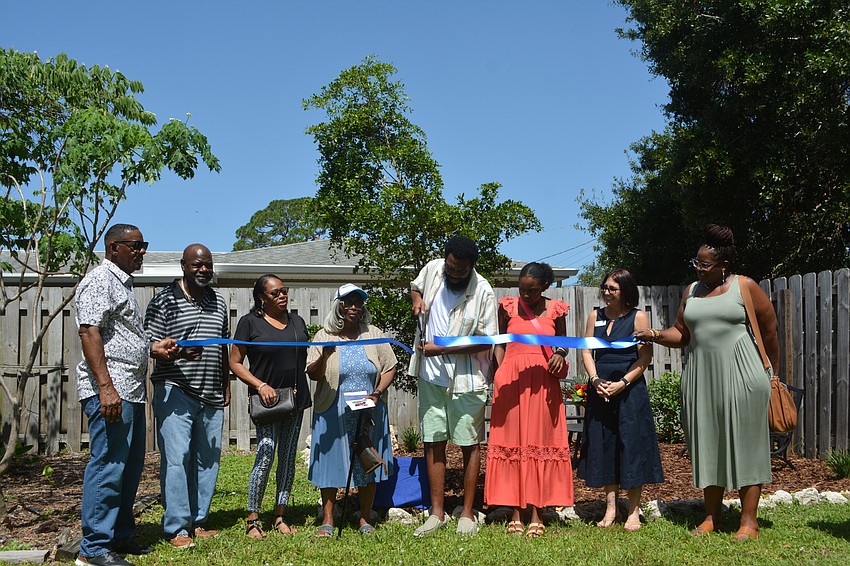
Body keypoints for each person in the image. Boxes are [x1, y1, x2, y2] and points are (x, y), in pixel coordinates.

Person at [634, 224, 778, 540]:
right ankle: (711, 517)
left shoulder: (745, 286)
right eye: (696, 263)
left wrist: (772, 373)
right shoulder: (692, 291)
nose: (699, 268)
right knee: (707, 445)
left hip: (743, 377)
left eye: (705, 264)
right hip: (701, 378)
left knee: (747, 446)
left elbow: (769, 330)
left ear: (723, 265)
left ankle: (749, 521)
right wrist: (655, 334)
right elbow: (681, 334)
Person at [75, 224, 179, 566]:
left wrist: (153, 348)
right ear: (113, 247)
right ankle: (93, 548)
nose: (142, 251)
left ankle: (118, 535)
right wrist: (106, 388)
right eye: (136, 245)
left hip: (130, 391)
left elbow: (121, 338)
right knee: (108, 466)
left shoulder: (123, 284)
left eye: (144, 245)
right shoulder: (99, 281)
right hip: (111, 390)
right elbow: (90, 332)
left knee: (129, 468)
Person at [408, 235, 497, 537]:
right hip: (430, 376)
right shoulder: (433, 268)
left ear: (472, 266)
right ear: (445, 260)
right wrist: (417, 299)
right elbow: (415, 286)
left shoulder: (483, 290)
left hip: (467, 380)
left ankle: (468, 513)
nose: (455, 273)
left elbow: (486, 340)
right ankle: (437, 513)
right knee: (433, 442)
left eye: (462, 270)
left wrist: (442, 349)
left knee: (469, 444)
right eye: (452, 267)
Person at [143, 244, 230, 549]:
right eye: (197, 265)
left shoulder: (218, 303)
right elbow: (150, 347)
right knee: (178, 459)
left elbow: (222, 347)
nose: (203, 270)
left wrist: (226, 385)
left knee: (208, 461)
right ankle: (177, 527)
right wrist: (179, 352)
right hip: (174, 389)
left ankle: (198, 521)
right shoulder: (163, 302)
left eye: (207, 265)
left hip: (211, 392)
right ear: (183, 266)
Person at [484, 262, 573, 537]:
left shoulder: (556, 310)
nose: (525, 295)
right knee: (513, 443)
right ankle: (515, 510)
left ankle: (538, 511)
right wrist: (498, 374)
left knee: (540, 443)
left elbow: (564, 343)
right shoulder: (507, 307)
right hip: (512, 383)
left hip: (543, 383)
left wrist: (560, 353)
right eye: (522, 289)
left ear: (545, 286)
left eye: (532, 291)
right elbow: (498, 343)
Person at [306, 284, 398, 537]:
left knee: (367, 460)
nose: (354, 307)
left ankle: (365, 518)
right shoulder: (324, 336)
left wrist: (377, 393)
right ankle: (328, 520)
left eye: (358, 302)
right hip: (332, 409)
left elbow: (390, 366)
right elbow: (313, 374)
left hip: (368, 410)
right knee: (331, 463)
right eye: (348, 302)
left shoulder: (373, 334)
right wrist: (324, 357)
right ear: (339, 306)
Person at [577, 268, 663, 531]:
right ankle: (611, 508)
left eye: (612, 288)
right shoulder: (596, 316)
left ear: (625, 290)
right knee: (606, 448)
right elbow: (587, 351)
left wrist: (623, 383)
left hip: (629, 392)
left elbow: (644, 358)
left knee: (631, 447)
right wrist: (595, 381)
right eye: (604, 287)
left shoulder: (638, 317)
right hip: (600, 391)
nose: (606, 292)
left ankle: (634, 510)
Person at [229, 275, 312, 539]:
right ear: (261, 298)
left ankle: (280, 515)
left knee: (287, 458)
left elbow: (307, 359)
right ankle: (253, 518)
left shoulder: (298, 322)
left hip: (295, 401)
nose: (282, 296)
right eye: (275, 293)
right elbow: (235, 362)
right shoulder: (249, 323)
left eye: (284, 291)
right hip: (266, 402)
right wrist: (260, 385)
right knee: (265, 454)